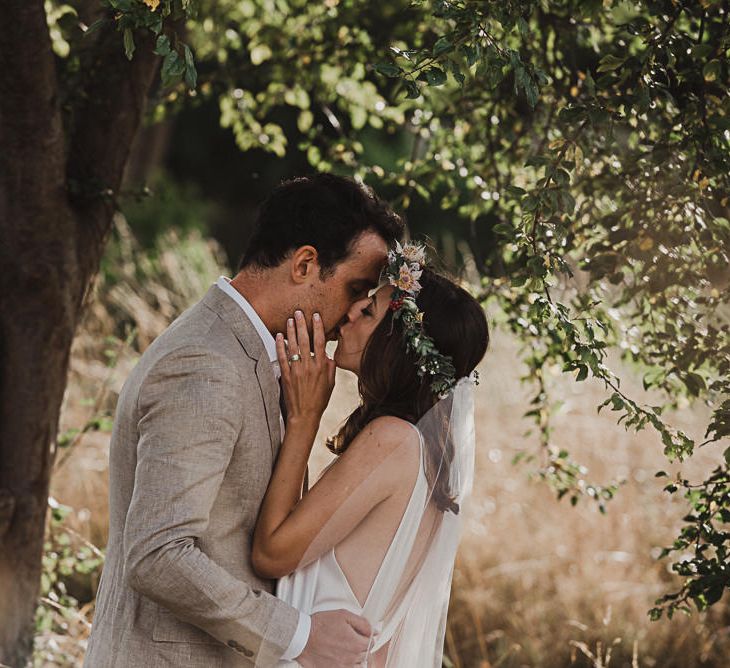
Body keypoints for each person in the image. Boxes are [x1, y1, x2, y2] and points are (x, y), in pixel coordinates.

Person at [84, 174, 403, 667]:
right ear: (305, 264)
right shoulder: (206, 362)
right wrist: (299, 636)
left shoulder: (258, 355)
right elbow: (158, 554)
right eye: (355, 287)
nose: (355, 311)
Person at [252, 243, 489, 667]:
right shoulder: (421, 452)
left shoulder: (393, 441)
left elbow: (272, 554)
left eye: (370, 311)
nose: (351, 311)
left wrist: (305, 420)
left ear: (398, 343)